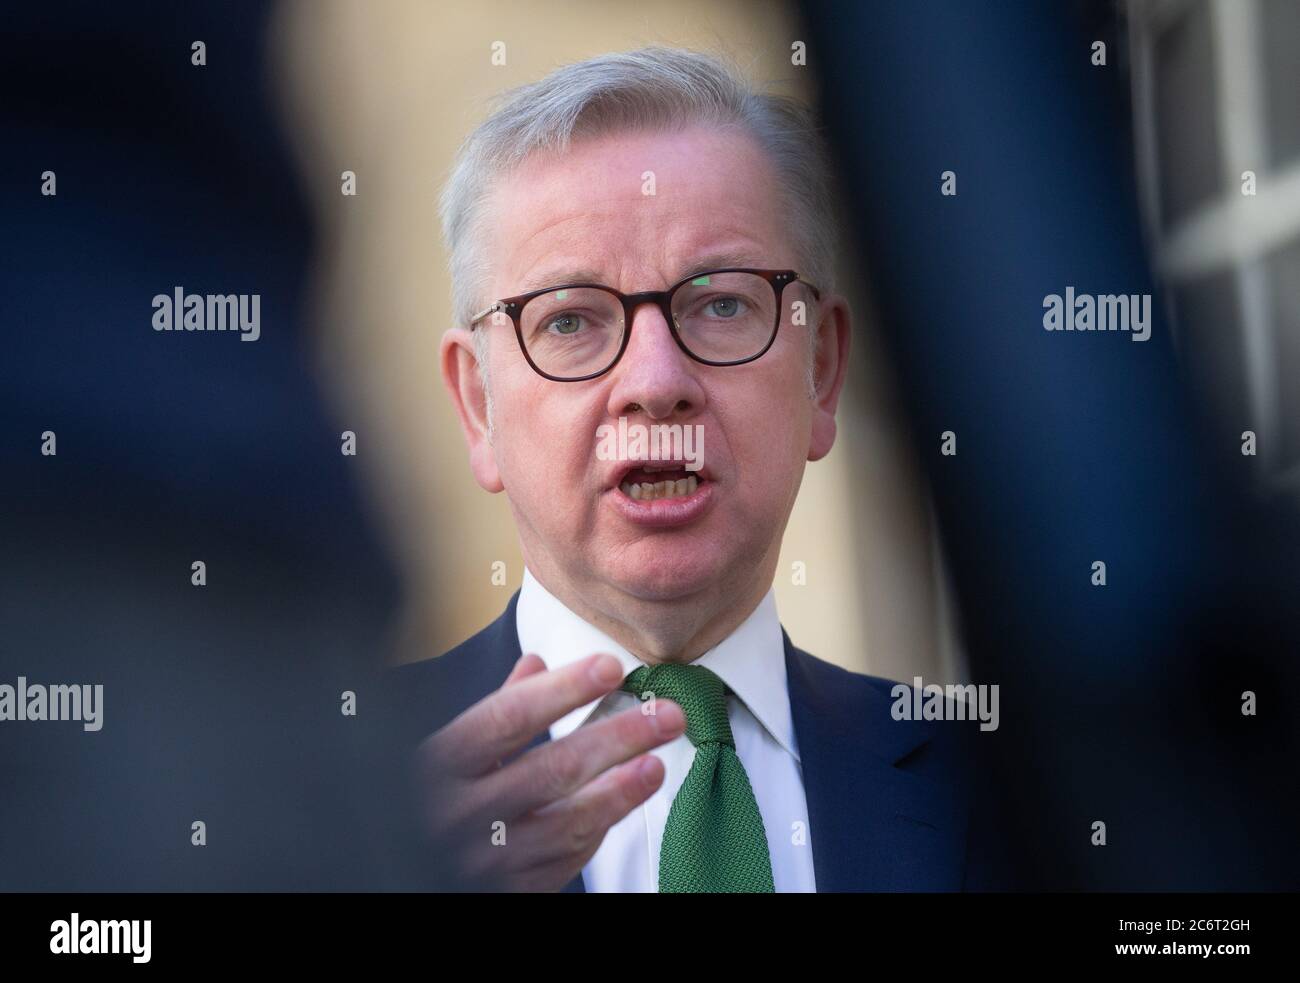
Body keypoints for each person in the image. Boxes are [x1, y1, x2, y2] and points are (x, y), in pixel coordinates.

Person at [385, 45, 1010, 892]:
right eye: (571, 321)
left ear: (820, 369)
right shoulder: (327, 794)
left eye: (721, 303)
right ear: (479, 404)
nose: (655, 383)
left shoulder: (1012, 792)